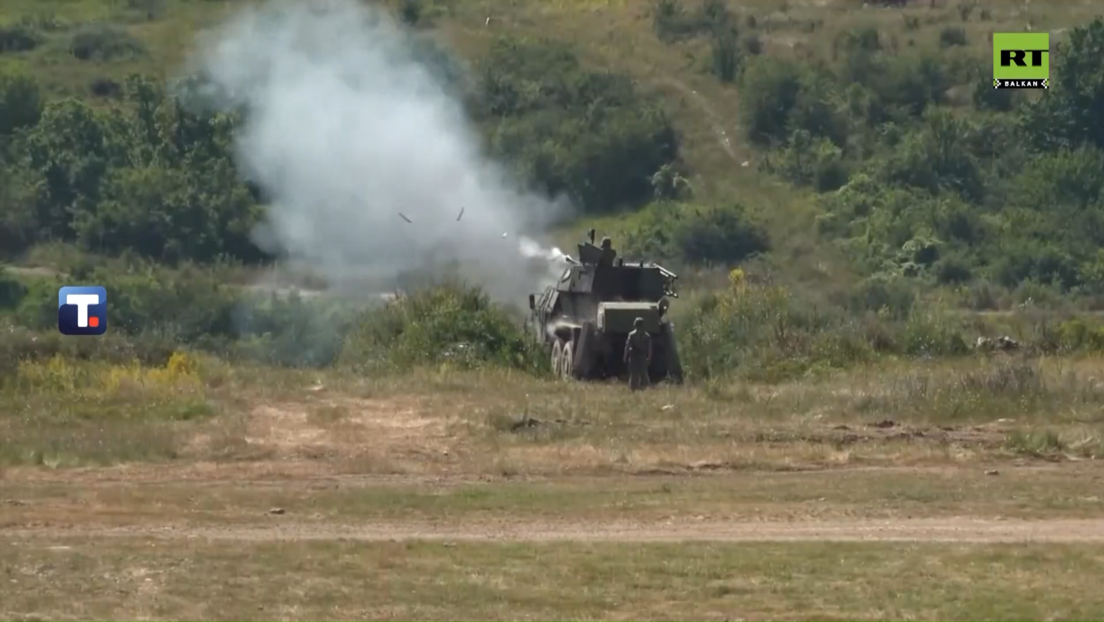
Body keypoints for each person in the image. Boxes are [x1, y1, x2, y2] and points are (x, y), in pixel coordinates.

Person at [623, 317, 652, 391]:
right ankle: (645, 388)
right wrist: (649, 358)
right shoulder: (647, 336)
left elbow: (627, 346)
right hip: (641, 356)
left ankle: (634, 389)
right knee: (643, 374)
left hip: (634, 356)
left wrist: (625, 356)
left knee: (634, 374)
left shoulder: (632, 335)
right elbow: (649, 349)